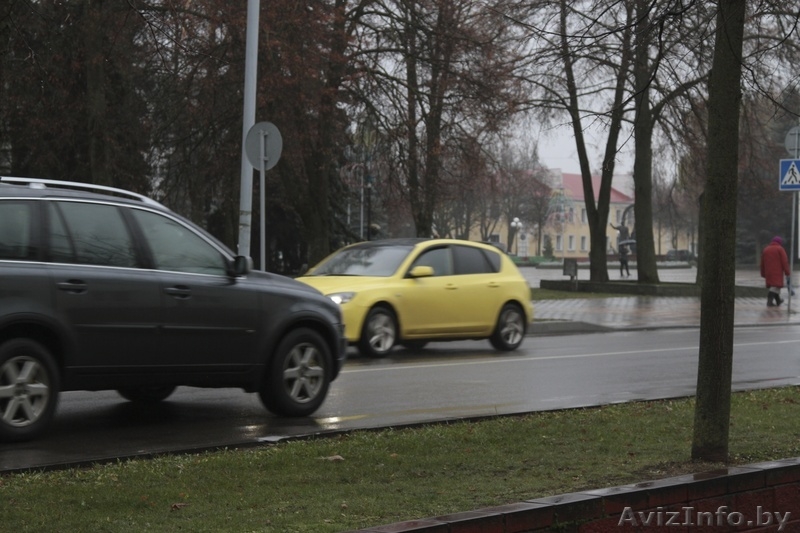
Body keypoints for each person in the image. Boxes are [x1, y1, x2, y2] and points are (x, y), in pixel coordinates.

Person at [760, 236, 790, 307]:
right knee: (775, 286)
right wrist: (787, 272)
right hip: (777, 272)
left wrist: (763, 273)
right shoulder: (780, 249)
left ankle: (778, 301)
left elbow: (762, 263)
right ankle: (769, 302)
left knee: (775, 286)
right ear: (779, 242)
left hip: (768, 272)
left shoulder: (766, 249)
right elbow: (784, 262)